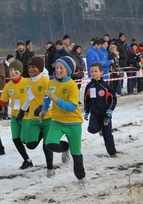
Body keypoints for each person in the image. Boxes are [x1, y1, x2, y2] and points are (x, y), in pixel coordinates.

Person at [37, 56, 87, 185]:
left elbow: (71, 107)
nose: (58, 70)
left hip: (73, 123)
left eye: (62, 68)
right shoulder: (51, 83)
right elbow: (47, 97)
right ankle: (65, 148)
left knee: (77, 155)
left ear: (68, 71)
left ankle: (81, 177)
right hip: (57, 121)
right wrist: (44, 109)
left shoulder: (72, 85)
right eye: (57, 67)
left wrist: (55, 98)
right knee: (50, 144)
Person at [18, 56, 55, 177]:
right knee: (30, 145)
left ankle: (50, 169)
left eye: (34, 67)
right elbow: (29, 97)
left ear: (40, 68)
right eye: (29, 67)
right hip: (34, 119)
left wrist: (43, 108)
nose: (31, 69)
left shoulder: (45, 81)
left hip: (47, 118)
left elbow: (52, 99)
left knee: (47, 146)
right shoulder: (28, 82)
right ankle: (42, 135)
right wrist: (22, 111)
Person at [0, 59, 33, 169]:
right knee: (15, 138)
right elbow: (4, 99)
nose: (12, 72)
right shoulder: (8, 86)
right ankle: (27, 160)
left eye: (15, 70)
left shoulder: (26, 83)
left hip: (26, 115)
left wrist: (30, 107)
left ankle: (40, 133)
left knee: (24, 139)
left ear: (20, 72)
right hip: (15, 116)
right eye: (11, 69)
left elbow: (32, 96)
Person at [84, 63, 117, 157]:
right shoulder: (89, 86)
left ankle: (112, 152)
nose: (93, 73)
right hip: (94, 113)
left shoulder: (105, 86)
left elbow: (113, 98)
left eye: (95, 71)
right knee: (91, 129)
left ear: (101, 72)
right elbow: (86, 99)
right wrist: (87, 111)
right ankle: (100, 128)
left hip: (105, 114)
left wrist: (110, 110)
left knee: (107, 135)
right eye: (91, 72)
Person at [1, 54, 14, 120]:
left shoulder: (10, 66)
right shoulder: (4, 66)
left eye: (13, 59)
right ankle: (3, 115)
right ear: (8, 59)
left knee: (8, 100)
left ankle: (5, 114)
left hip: (9, 84)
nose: (12, 60)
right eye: (11, 59)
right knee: (4, 99)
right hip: (4, 84)